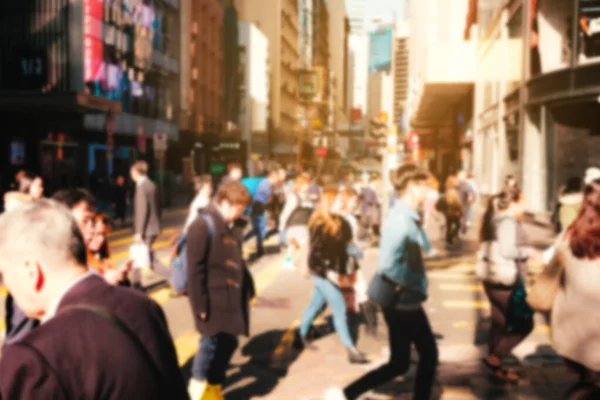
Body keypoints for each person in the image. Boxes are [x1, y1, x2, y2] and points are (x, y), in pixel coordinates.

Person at [0, 199, 188, 399]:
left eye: (3, 275)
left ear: (32, 271)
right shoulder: (142, 304)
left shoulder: (34, 358)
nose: (6, 284)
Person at [326, 164, 438, 400]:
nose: (426, 192)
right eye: (423, 187)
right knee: (428, 355)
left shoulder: (407, 216)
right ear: (411, 187)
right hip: (403, 300)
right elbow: (388, 265)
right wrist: (413, 281)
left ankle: (346, 394)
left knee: (399, 363)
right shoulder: (400, 219)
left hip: (403, 299)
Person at [530, 177, 600, 398]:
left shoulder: (570, 234)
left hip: (570, 324)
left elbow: (551, 260)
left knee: (590, 381)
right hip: (594, 329)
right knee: (592, 384)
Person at [186, 182, 255, 399]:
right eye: (237, 209)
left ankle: (215, 386)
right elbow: (194, 270)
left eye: (242, 210)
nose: (238, 214)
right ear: (224, 202)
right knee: (209, 343)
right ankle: (196, 389)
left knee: (229, 341)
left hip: (231, 297)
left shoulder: (231, 225)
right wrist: (200, 305)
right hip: (212, 297)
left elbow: (238, 261)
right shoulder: (202, 225)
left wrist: (249, 286)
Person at [298, 189, 368, 364]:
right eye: (337, 202)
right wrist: (327, 271)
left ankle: (300, 335)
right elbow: (316, 253)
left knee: (316, 304)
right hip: (321, 272)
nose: (341, 205)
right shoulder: (319, 224)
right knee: (340, 307)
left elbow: (347, 244)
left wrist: (357, 253)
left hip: (335, 272)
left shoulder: (341, 221)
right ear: (328, 203)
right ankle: (351, 350)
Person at [478, 187, 536, 383]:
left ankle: (496, 371)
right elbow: (507, 250)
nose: (526, 205)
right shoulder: (507, 222)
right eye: (523, 201)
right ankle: (495, 359)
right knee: (525, 323)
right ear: (513, 203)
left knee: (499, 322)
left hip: (492, 278)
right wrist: (528, 252)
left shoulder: (493, 218)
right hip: (507, 279)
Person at [130, 160, 169, 288]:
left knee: (139, 257)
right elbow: (158, 207)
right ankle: (173, 277)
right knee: (148, 257)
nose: (131, 175)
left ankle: (136, 285)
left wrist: (139, 232)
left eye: (132, 172)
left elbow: (142, 210)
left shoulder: (141, 187)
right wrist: (158, 226)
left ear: (136, 172)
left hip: (145, 229)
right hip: (152, 227)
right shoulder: (152, 185)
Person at [244, 163, 283, 260]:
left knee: (256, 230)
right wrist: (269, 199)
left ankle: (242, 241)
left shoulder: (264, 182)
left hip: (256, 208)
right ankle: (259, 250)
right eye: (277, 176)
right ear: (272, 175)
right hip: (258, 208)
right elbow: (263, 198)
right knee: (260, 230)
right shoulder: (265, 183)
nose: (278, 179)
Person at [88, 214, 132, 286]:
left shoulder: (101, 255)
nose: (101, 239)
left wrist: (121, 276)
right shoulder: (82, 261)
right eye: (98, 234)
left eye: (104, 235)